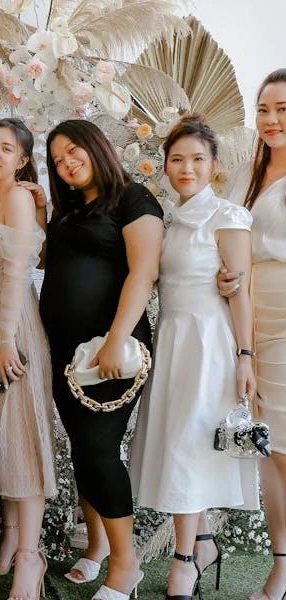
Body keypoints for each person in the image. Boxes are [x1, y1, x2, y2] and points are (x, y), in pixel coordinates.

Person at [130, 115, 258, 600]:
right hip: (173, 340)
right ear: (164, 166)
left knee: (188, 443)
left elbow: (240, 291)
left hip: (210, 345)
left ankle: (185, 559)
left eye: (197, 159)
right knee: (183, 442)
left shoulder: (227, 216)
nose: (187, 168)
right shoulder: (168, 218)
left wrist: (245, 356)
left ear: (214, 166)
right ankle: (202, 542)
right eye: (177, 159)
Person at [39, 119, 163, 599]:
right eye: (58, 160)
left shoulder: (134, 199)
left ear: (96, 147)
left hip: (112, 352)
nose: (67, 164)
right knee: (82, 450)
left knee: (98, 450)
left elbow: (143, 272)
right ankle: (96, 549)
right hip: (65, 352)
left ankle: (126, 568)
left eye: (73, 151)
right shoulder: (68, 209)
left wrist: (116, 338)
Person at [0, 119, 57, 600]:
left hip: (13, 325)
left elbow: (21, 269)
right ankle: (9, 538)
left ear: (23, 159)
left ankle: (31, 555)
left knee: (22, 432)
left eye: (7, 149)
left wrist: (6, 337)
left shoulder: (19, 199)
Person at [219, 68, 286, 600]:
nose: (271, 120)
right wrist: (225, 271)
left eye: (283, 110)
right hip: (243, 318)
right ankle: (281, 561)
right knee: (266, 447)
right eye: (264, 109)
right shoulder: (245, 172)